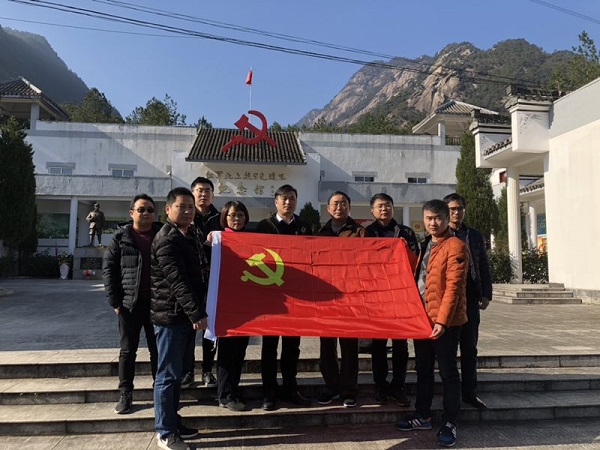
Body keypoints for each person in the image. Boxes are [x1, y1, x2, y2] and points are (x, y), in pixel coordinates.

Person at [396, 199, 468, 448]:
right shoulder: (427, 243)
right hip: (423, 320)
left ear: (447, 219)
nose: (433, 223)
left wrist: (443, 321)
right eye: (428, 218)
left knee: (448, 373)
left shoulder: (456, 246)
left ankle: (450, 422)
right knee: (423, 370)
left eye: (438, 218)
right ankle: (423, 415)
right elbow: (421, 276)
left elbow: (454, 288)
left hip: (445, 323)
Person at [151, 187, 207, 450]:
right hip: (170, 317)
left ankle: (173, 422)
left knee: (178, 373)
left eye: (190, 207)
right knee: (167, 375)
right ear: (168, 209)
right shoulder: (166, 239)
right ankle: (164, 432)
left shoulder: (190, 234)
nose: (187, 211)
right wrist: (196, 312)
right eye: (181, 206)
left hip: (184, 317)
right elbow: (178, 281)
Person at [103, 194, 161, 415]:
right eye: (141, 209)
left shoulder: (163, 235)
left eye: (150, 210)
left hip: (158, 304)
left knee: (158, 351)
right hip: (130, 305)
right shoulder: (121, 237)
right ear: (131, 213)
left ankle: (160, 392)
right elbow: (109, 270)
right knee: (128, 351)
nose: (145, 213)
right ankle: (125, 393)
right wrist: (115, 301)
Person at [256, 184, 312, 411]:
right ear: (276, 202)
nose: (288, 202)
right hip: (272, 295)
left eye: (292, 198)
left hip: (296, 296)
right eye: (284, 198)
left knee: (292, 346)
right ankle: (269, 391)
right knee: (269, 346)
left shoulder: (304, 226)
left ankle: (290, 388)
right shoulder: (264, 226)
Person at [365, 193, 418, 407]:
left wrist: (406, 249)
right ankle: (380, 385)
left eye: (387, 205)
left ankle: (398, 385)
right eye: (379, 206)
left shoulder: (405, 232)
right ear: (372, 210)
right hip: (377, 296)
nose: (384, 209)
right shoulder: (367, 233)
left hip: (400, 294)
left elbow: (416, 262)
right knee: (378, 344)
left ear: (393, 208)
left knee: (400, 344)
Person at [443, 193, 493, 409]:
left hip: (470, 296)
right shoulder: (439, 235)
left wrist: (486, 293)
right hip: (447, 298)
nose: (456, 212)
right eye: (452, 209)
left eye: (459, 208)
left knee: (469, 347)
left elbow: (483, 264)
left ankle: (469, 392)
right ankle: (450, 392)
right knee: (448, 348)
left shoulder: (474, 235)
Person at [317, 191, 366, 408]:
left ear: (349, 207)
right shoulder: (320, 233)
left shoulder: (360, 232)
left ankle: (348, 390)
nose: (339, 207)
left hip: (350, 297)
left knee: (349, 347)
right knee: (326, 346)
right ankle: (330, 387)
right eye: (335, 204)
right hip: (326, 298)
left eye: (344, 203)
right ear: (328, 208)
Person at [180, 177, 221, 390]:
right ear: (192, 193)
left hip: (214, 282)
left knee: (210, 329)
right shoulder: (185, 217)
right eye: (199, 190)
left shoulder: (220, 218)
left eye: (207, 190)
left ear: (213, 195)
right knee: (189, 329)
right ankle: (187, 371)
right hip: (191, 281)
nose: (203, 194)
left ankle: (207, 370)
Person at [211, 201, 251, 412]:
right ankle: (225, 395)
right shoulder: (218, 240)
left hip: (246, 307)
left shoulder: (252, 241)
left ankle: (233, 389)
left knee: (239, 352)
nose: (237, 219)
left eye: (241, 215)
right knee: (227, 352)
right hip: (225, 306)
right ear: (224, 217)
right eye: (232, 215)